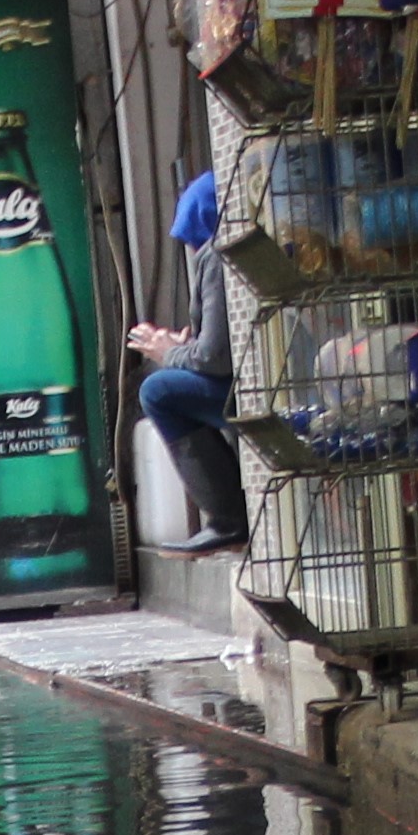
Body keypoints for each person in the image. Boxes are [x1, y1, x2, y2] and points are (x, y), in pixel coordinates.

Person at [125, 169, 248, 555]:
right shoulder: (247, 244)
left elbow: (214, 358)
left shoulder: (217, 254)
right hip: (268, 377)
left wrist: (169, 354)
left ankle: (228, 519)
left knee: (158, 391)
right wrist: (184, 349)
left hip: (253, 388)